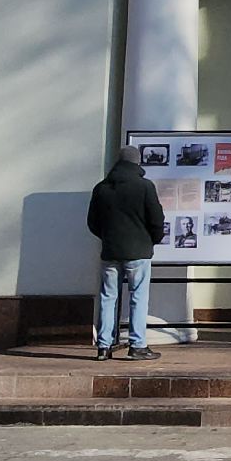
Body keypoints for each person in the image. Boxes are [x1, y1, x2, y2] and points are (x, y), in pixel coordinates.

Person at [86, 146, 166, 361]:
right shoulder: (145, 187)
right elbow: (157, 220)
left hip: (110, 251)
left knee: (107, 297)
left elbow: (92, 223)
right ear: (137, 163)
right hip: (138, 252)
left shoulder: (101, 188)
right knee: (138, 297)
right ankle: (137, 345)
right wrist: (152, 240)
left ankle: (103, 346)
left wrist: (108, 238)